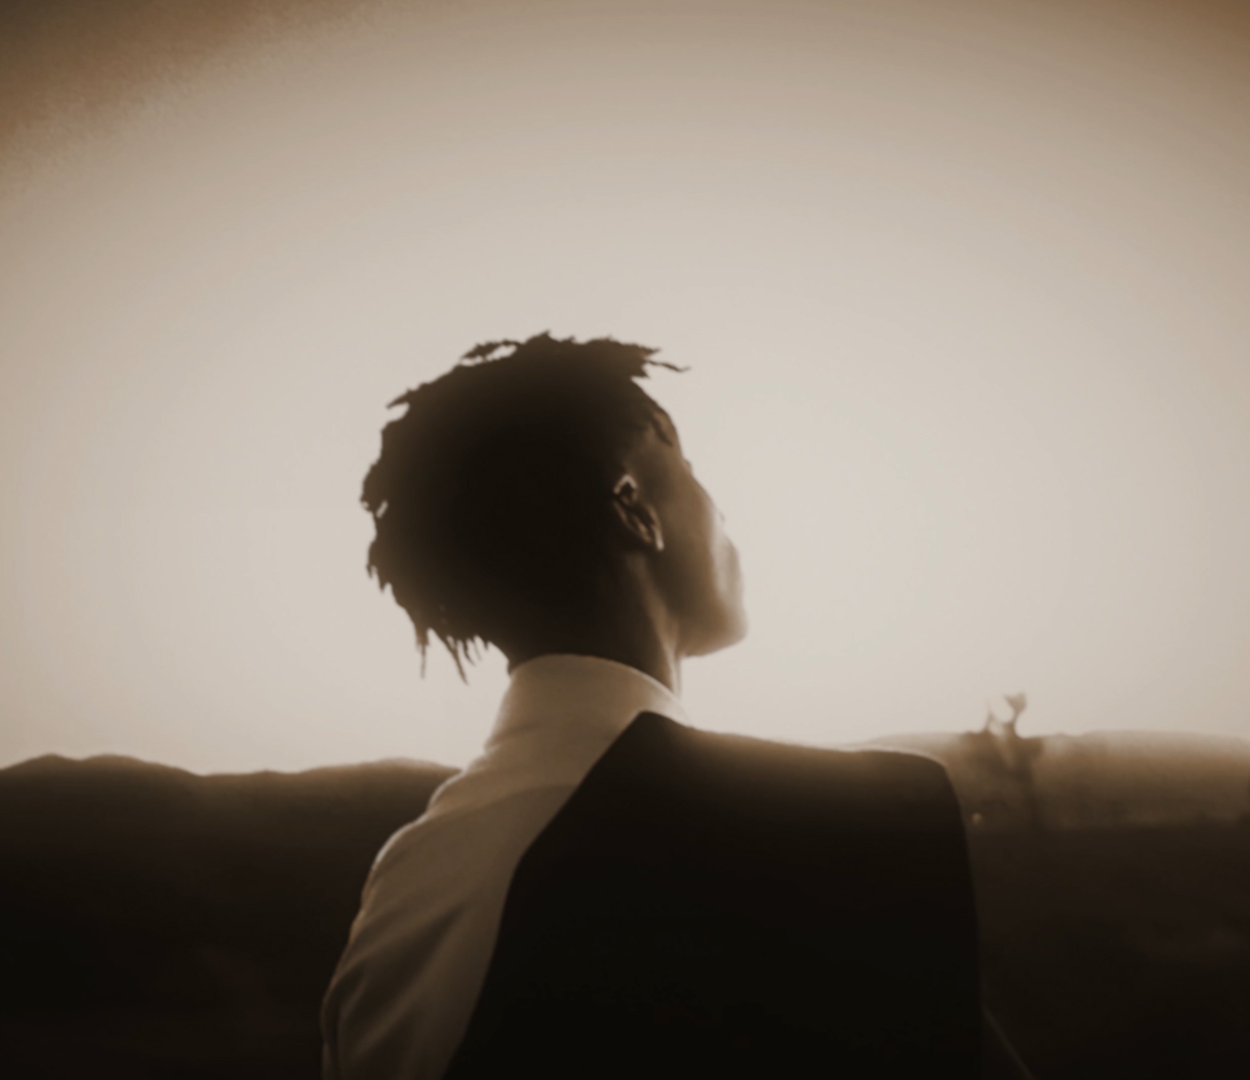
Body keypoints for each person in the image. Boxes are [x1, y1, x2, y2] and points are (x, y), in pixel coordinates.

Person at [321, 333, 1032, 1079]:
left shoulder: (402, 886)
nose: (722, 512)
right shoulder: (830, 832)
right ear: (634, 510)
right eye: (689, 469)